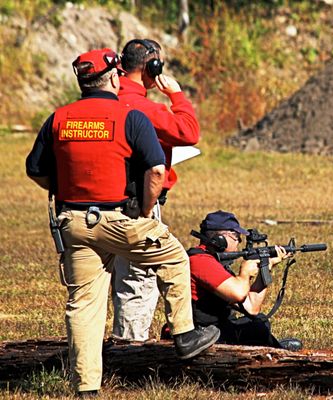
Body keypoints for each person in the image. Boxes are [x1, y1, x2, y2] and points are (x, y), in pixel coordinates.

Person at [25, 48, 219, 397]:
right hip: (120, 218)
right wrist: (145, 213)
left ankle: (86, 388)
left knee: (84, 305)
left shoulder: (59, 118)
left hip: (75, 223)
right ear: (114, 77)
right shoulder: (129, 116)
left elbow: (35, 170)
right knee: (175, 258)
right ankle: (185, 335)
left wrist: (67, 188)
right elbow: (156, 169)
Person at [111, 38, 201, 341]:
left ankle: (93, 354)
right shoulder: (143, 107)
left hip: (95, 205)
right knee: (138, 280)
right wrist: (176, 94)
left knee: (97, 284)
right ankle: (129, 353)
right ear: (153, 66)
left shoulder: (103, 101)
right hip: (138, 203)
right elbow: (189, 132)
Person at [163, 210, 303, 351]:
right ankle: (276, 350)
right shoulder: (200, 261)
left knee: (260, 321)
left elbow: (252, 308)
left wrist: (266, 268)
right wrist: (245, 273)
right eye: (235, 236)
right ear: (220, 239)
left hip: (211, 329)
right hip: (198, 334)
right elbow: (238, 293)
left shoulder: (214, 261)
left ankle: (272, 347)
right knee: (257, 329)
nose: (239, 241)